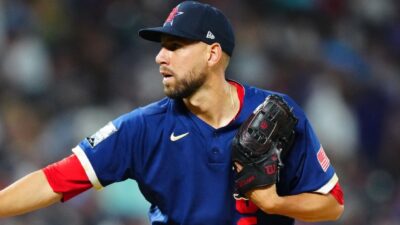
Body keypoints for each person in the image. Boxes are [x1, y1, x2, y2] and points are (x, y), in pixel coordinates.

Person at [0, 1, 344, 224]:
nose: (160, 58)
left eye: (175, 47)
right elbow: (56, 180)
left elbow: (332, 205)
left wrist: (275, 203)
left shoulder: (277, 115)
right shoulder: (143, 129)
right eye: (162, 48)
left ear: (212, 54)